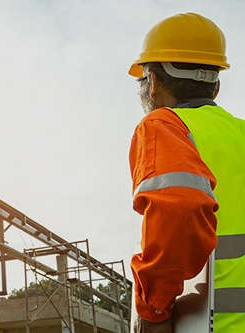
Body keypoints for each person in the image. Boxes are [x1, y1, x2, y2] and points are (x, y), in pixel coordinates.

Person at [128, 13, 245, 332]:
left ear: (152, 83)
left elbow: (178, 209)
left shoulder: (163, 126)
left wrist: (154, 311)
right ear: (216, 86)